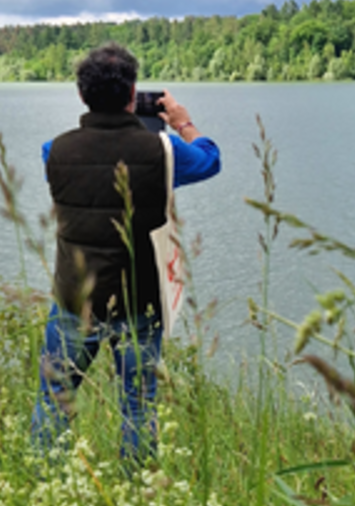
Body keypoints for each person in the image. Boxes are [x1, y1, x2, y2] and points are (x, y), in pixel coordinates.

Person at [30, 42, 221, 464]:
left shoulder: (54, 151)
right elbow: (210, 160)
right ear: (134, 93)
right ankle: (137, 487)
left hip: (74, 300)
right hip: (139, 301)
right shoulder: (163, 153)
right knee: (138, 405)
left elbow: (76, 159)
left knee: (54, 397)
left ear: (82, 94)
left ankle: (42, 478)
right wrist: (183, 124)